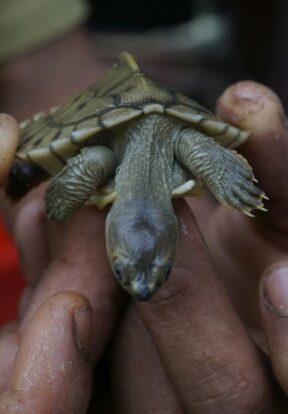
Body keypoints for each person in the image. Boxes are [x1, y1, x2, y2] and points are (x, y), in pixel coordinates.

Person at [1, 80, 288, 412]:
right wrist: (55, 204)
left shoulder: (178, 143)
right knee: (90, 161)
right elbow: (86, 161)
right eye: (123, 268)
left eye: (162, 270)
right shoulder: (106, 156)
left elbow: (195, 143)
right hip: (100, 122)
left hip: (158, 132)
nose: (142, 286)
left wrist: (232, 182)